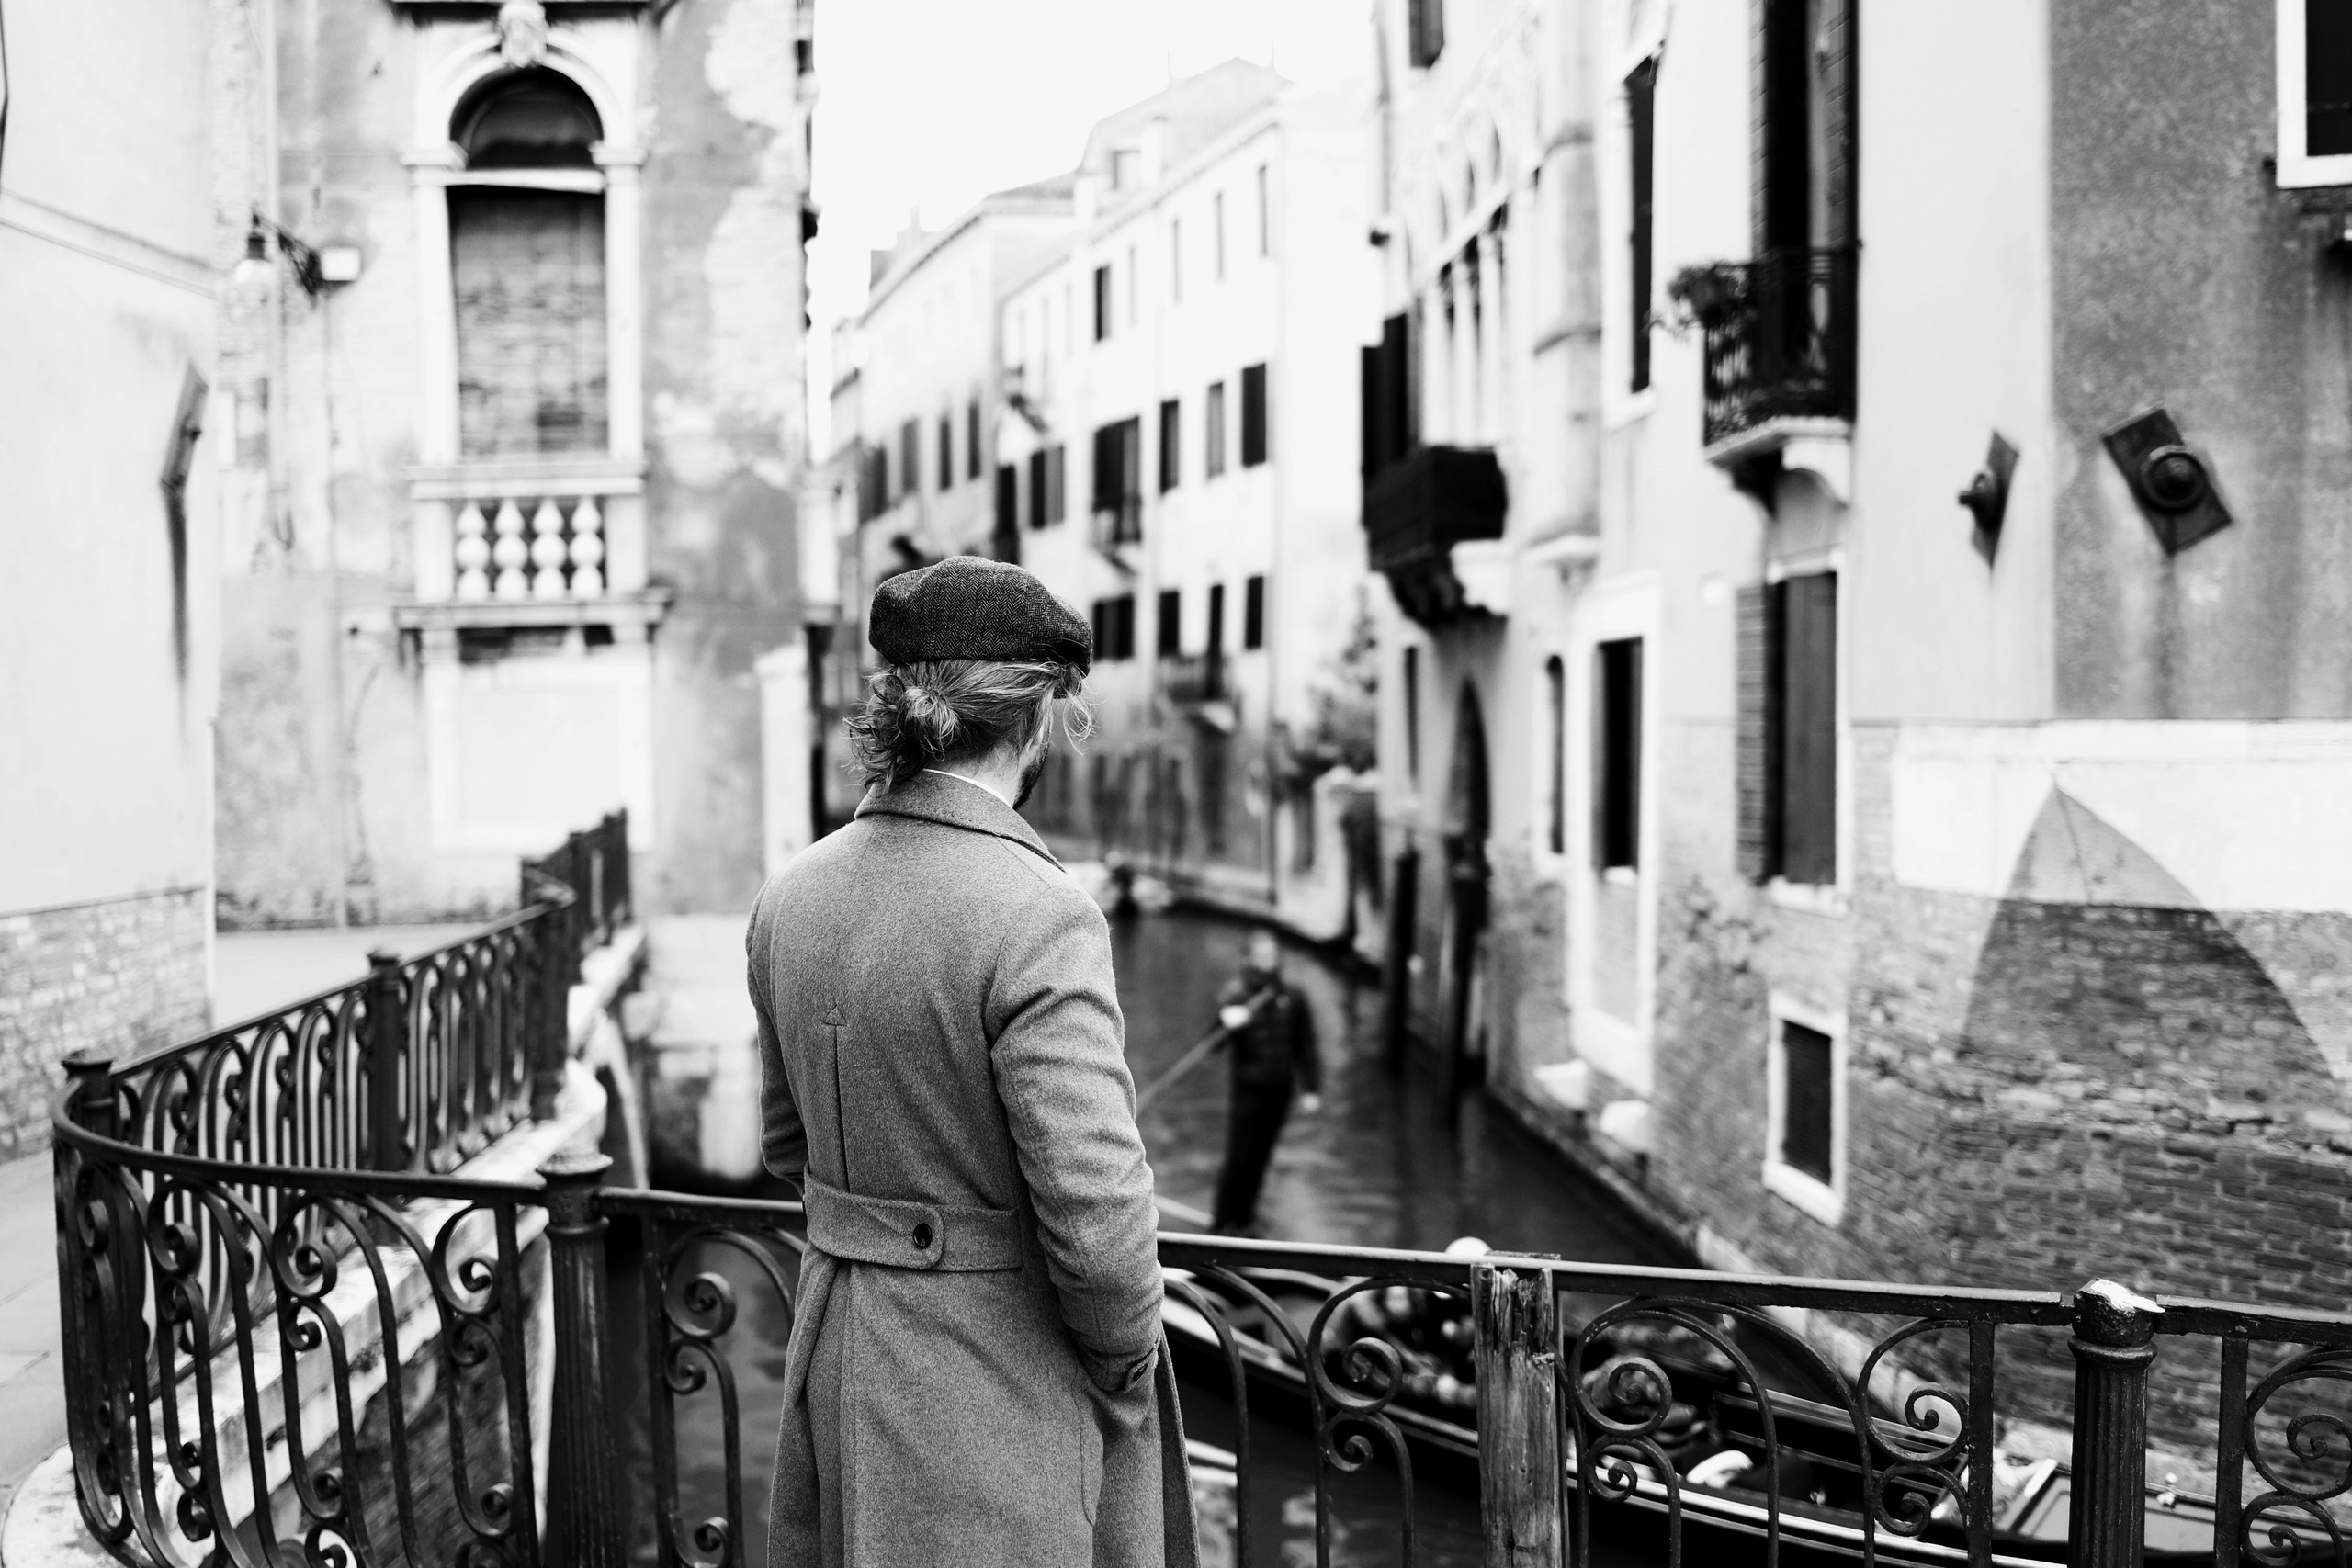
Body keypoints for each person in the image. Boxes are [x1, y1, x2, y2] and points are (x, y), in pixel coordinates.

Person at [746, 556, 1196, 1568]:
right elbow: (1097, 1220)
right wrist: (1123, 1361)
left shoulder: (790, 896)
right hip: (997, 1379)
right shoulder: (1041, 914)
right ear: (1038, 715)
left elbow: (785, 1146)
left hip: (841, 1352)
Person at [1209, 929, 1322, 1235]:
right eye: (1261, 956)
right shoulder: (1236, 994)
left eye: (1272, 955)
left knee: (1261, 1158)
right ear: (1250, 958)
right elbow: (1212, 1044)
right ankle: (1220, 1225)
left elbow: (1305, 1044)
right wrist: (1225, 1021)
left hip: (1279, 1090)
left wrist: (1311, 1087)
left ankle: (1244, 1221)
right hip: (1249, 1091)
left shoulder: (1293, 996)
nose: (1268, 961)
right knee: (1240, 1158)